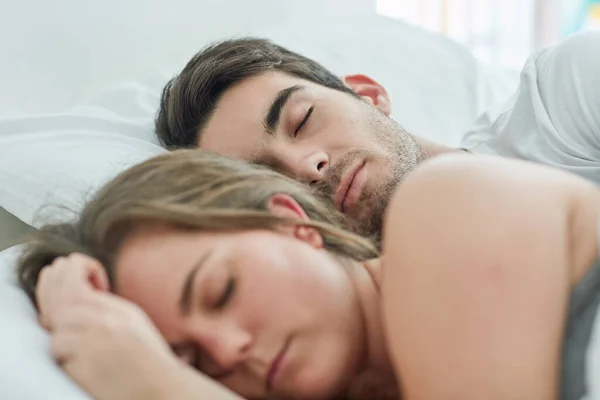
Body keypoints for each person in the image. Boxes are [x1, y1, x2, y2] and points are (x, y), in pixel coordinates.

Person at [16, 149, 600, 400]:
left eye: (222, 291)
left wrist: (160, 385)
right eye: (191, 360)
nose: (228, 349)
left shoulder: (445, 204)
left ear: (291, 221)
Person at [155, 31, 600, 239]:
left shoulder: (563, 96)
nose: (305, 167)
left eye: (303, 119)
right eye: (264, 176)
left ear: (368, 94)